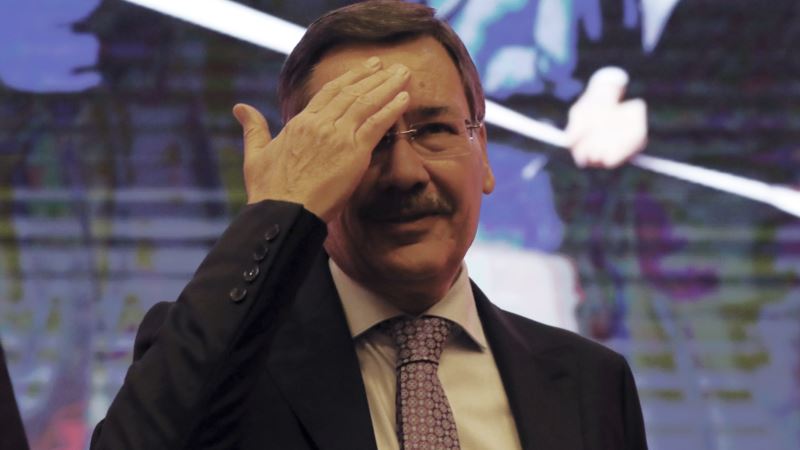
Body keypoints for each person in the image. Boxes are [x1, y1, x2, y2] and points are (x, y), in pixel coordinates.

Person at [91, 1, 647, 448]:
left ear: (482, 152)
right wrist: (275, 213)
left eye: (434, 130)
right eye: (366, 139)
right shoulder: (220, 365)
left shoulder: (591, 384)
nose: (404, 173)